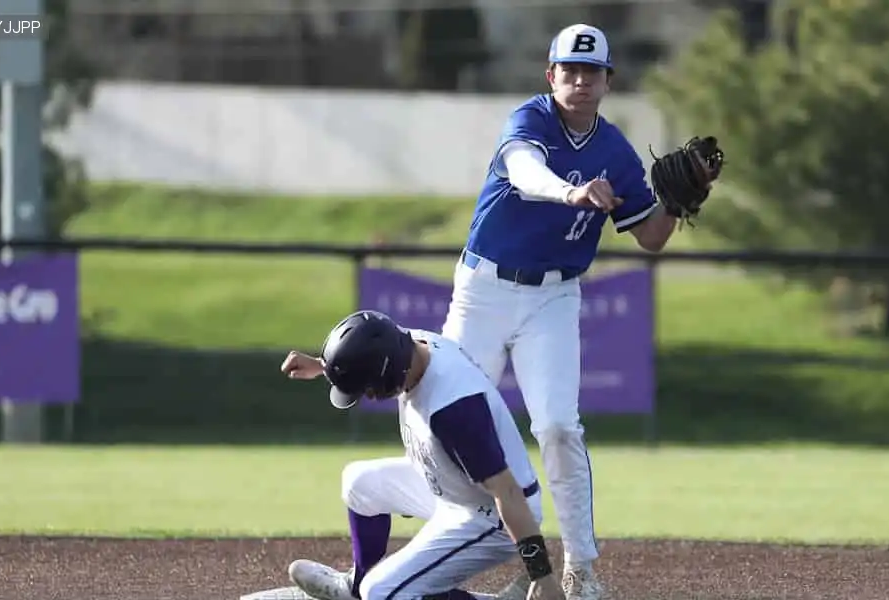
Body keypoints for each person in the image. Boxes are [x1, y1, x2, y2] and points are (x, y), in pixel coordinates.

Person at [442, 23, 712, 600]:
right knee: (449, 425)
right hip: (484, 291)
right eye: (569, 69)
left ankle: (580, 569)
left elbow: (651, 237)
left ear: (608, 81)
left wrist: (681, 197)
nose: (579, 79)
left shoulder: (614, 150)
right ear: (551, 75)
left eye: (591, 71)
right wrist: (573, 192)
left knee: (559, 427)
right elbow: (523, 173)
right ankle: (430, 563)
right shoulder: (530, 120)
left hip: (553, 299)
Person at [280, 309, 566, 600]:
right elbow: (372, 344)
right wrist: (326, 367)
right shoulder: (407, 344)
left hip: (492, 516)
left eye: (367, 388)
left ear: (387, 373)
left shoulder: (454, 409)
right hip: (453, 487)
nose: (369, 396)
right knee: (358, 481)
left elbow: (506, 491)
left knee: (381, 593)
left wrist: (542, 576)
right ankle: (353, 591)